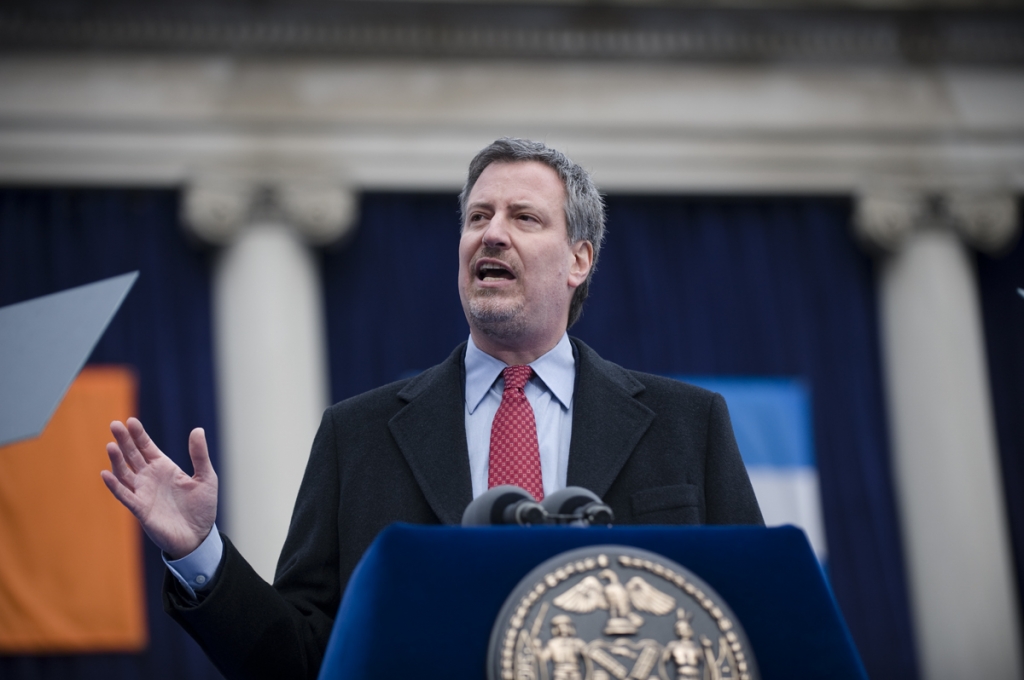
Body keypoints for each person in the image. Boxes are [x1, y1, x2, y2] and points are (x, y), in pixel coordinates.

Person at [102, 138, 762, 680]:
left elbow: (749, 620)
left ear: (579, 260)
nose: (491, 235)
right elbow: (300, 662)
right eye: (478, 217)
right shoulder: (354, 437)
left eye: (523, 218)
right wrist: (199, 553)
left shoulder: (688, 425)